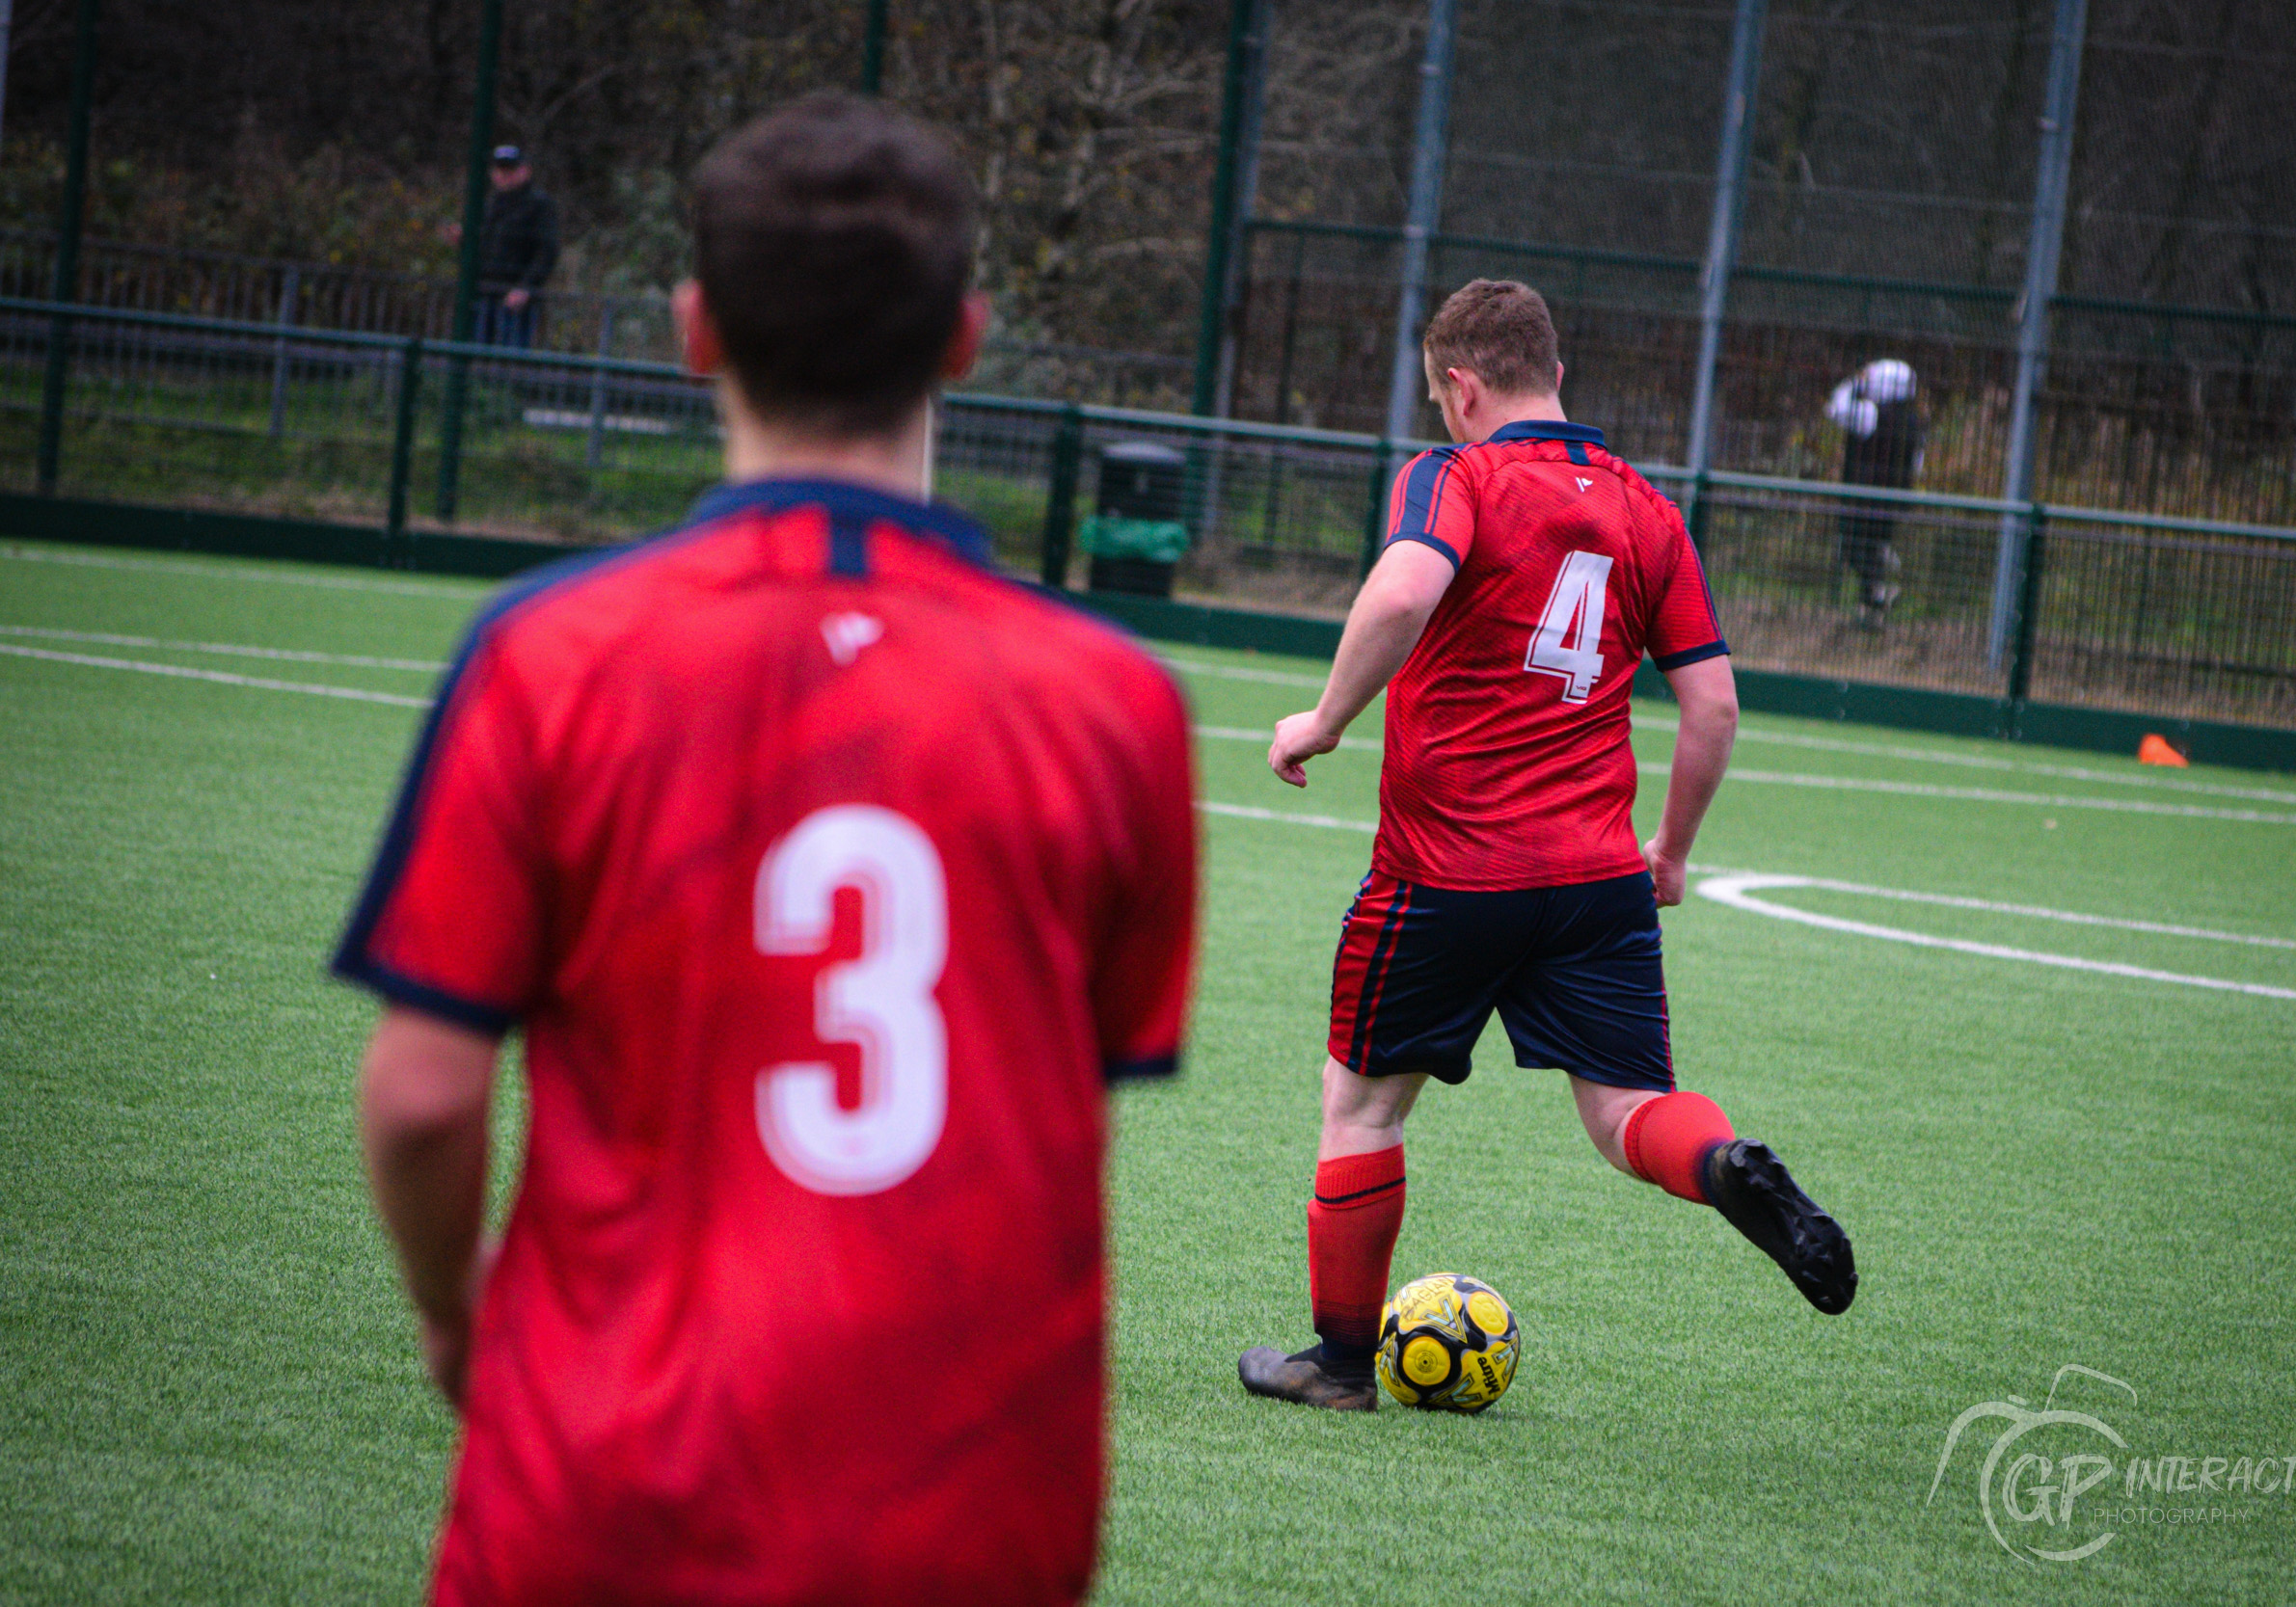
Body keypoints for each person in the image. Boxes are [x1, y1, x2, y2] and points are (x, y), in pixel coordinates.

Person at [336, 94, 1196, 1602]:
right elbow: (1074, 1107)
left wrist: (456, 1322)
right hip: (970, 1508)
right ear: (965, 341)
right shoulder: (1114, 700)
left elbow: (419, 1095)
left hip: (600, 1483)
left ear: (691, 329)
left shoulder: (548, 656)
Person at [1237, 279, 1854, 1414]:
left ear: (1461, 387)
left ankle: (1335, 1362)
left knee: (1363, 1105)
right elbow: (1712, 708)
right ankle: (1724, 1166)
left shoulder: (1453, 476)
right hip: (1596, 877)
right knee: (1627, 1112)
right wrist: (1669, 851)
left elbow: (1406, 583)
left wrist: (1323, 719)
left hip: (1446, 870)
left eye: (1440, 399)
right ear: (1555, 376)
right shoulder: (1643, 506)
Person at [1825, 358, 1922, 625]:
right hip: (1894, 498)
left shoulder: (1871, 413)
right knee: (1871, 545)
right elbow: (1917, 463)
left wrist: (1855, 382)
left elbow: (1834, 408)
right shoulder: (1914, 422)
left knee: (1854, 545)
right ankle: (1872, 604)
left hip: (1865, 497)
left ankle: (1877, 591)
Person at [472, 146, 559, 347]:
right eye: (500, 169)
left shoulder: (539, 204)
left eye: (510, 169)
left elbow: (547, 250)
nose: (504, 175)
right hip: (483, 293)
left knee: (509, 361)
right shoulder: (488, 204)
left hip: (514, 300)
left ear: (525, 171)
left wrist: (525, 287)